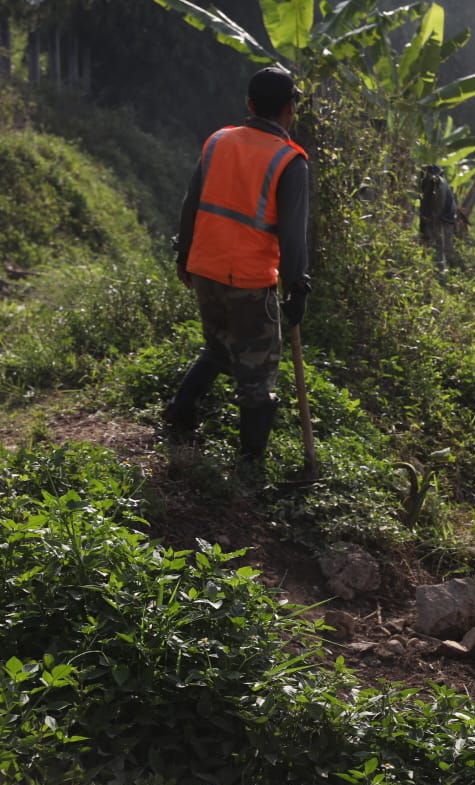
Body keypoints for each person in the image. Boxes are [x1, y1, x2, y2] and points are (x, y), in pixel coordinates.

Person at [163, 66, 311, 477]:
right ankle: (250, 467)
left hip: (204, 270)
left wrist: (183, 255)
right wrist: (297, 286)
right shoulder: (290, 161)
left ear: (249, 105)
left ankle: (180, 411)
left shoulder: (218, 141)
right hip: (248, 280)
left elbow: (191, 202)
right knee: (257, 377)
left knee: (218, 349)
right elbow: (294, 237)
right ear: (289, 108)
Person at [419, 164, 458, 272]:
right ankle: (440, 269)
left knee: (438, 244)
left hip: (442, 218)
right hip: (445, 217)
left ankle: (440, 270)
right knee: (440, 245)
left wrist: (434, 217)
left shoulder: (438, 183)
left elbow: (439, 203)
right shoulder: (440, 183)